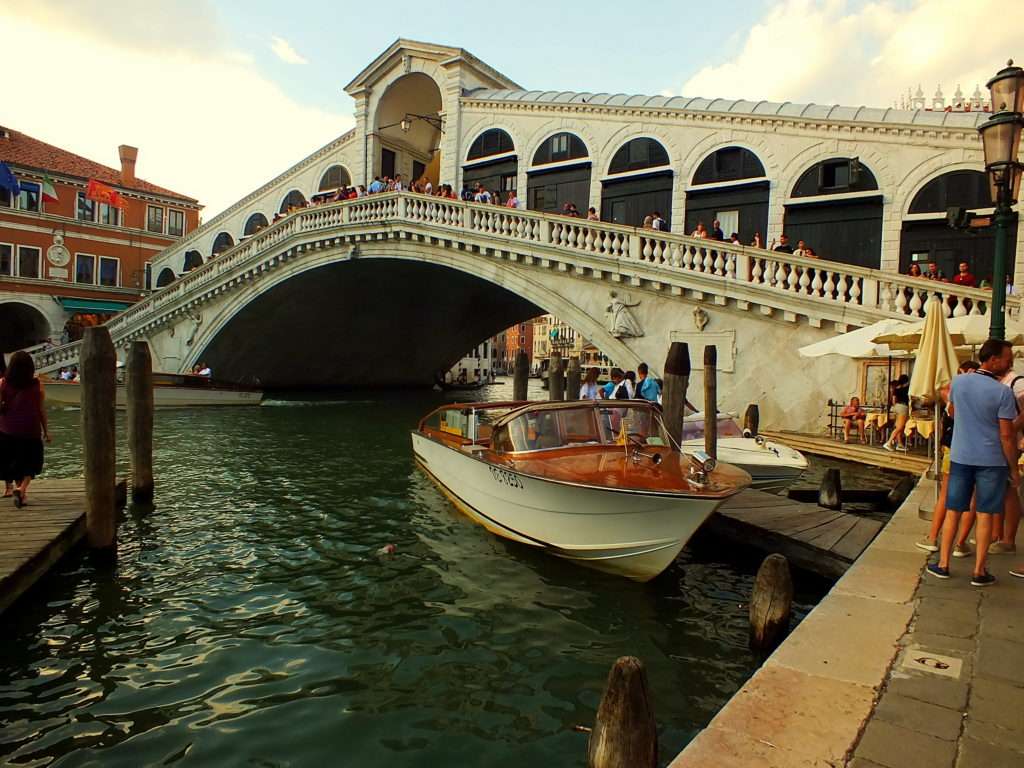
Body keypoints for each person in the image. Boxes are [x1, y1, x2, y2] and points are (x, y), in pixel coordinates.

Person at [928, 339, 1019, 586]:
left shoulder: (958, 383)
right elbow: (1007, 435)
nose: (1010, 363)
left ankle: (944, 563)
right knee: (986, 514)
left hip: (961, 457)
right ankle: (979, 571)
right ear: (992, 359)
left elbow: (954, 411)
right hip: (991, 461)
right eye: (1007, 359)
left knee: (954, 510)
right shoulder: (1003, 392)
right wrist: (1013, 469)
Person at [917, 361, 980, 556]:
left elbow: (942, 393)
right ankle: (960, 544)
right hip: (978, 449)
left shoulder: (952, 393)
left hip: (955, 447)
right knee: (972, 497)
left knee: (946, 495)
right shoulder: (986, 392)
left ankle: (933, 538)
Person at [0, 351, 50, 508]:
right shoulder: (38, 384)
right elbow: (41, 410)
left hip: (8, 430)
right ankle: (22, 489)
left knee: (14, 461)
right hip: (31, 430)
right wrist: (46, 431)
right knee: (32, 463)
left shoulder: (2, 383)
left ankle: (17, 489)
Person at [882, 374, 911, 451]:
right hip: (903, 407)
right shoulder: (908, 388)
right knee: (900, 427)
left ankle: (900, 444)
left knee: (898, 426)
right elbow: (911, 400)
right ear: (907, 381)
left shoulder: (896, 389)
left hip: (896, 407)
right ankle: (888, 443)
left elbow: (893, 401)